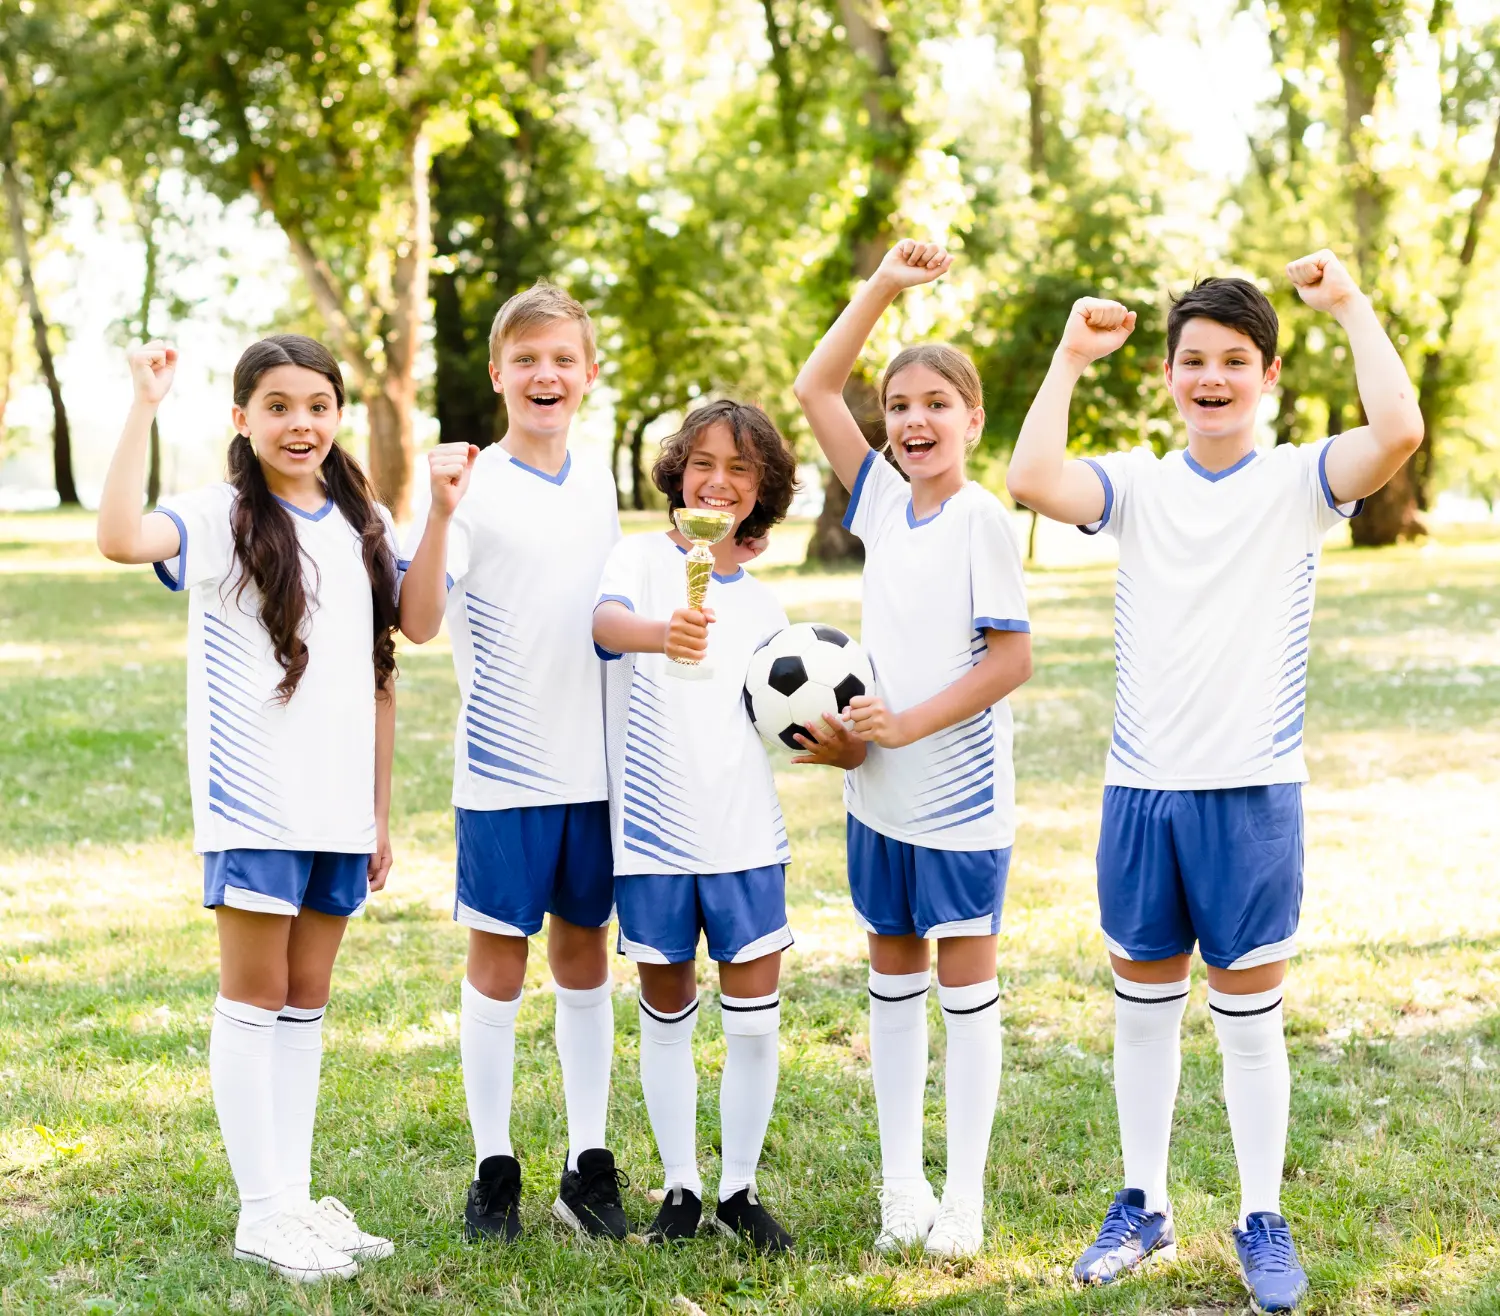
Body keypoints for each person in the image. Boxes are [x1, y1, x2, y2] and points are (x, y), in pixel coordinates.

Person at [1006, 250, 1424, 1311]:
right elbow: (1030, 478)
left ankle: (1259, 1213)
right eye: (1194, 359)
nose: (1213, 376)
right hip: (1142, 791)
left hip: (1252, 791)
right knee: (1142, 1009)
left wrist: (1347, 303)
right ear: (1168, 376)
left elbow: (1400, 433)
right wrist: (1064, 355)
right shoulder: (1139, 488)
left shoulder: (1299, 483)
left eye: (1236, 360)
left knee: (1249, 1019)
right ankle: (1143, 1200)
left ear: (1269, 376)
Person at [95, 334, 401, 1282]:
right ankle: (261, 1211)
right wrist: (144, 405)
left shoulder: (365, 523)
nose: (299, 422)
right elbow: (117, 537)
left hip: (339, 807)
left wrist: (381, 814)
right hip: (256, 805)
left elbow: (382, 674)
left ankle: (297, 1198)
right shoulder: (220, 514)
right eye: (277, 405)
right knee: (254, 1000)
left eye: (316, 404)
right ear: (241, 419)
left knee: (306, 1005)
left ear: (338, 414)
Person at [793, 241, 1034, 1259]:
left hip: (959, 802)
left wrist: (909, 721)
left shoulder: (982, 518)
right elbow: (814, 385)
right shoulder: (882, 500)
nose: (914, 420)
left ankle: (966, 1196)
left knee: (964, 989)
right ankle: (903, 1187)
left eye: (937, 402)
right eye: (898, 405)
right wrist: (885, 286)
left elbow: (1012, 661)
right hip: (876, 796)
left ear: (973, 419)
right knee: (890, 981)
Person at [592, 399, 856, 1250]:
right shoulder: (637, 559)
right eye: (704, 463)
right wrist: (656, 632)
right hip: (653, 835)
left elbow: (783, 718)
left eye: (740, 470)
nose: (719, 480)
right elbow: (602, 626)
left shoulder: (767, 605)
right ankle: (680, 1187)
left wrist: (839, 743)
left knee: (752, 1016)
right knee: (665, 1003)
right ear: (677, 475)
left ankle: (738, 1189)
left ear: (760, 494)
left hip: (745, 834)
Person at [399, 282, 628, 1242]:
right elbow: (415, 623)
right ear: (497, 373)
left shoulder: (599, 481)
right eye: (526, 359)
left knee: (586, 959)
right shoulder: (470, 484)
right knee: (499, 962)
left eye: (562, 359)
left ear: (588, 374)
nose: (545, 374)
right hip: (506, 774)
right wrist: (442, 513)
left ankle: (588, 1161)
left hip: (603, 771)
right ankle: (494, 1162)